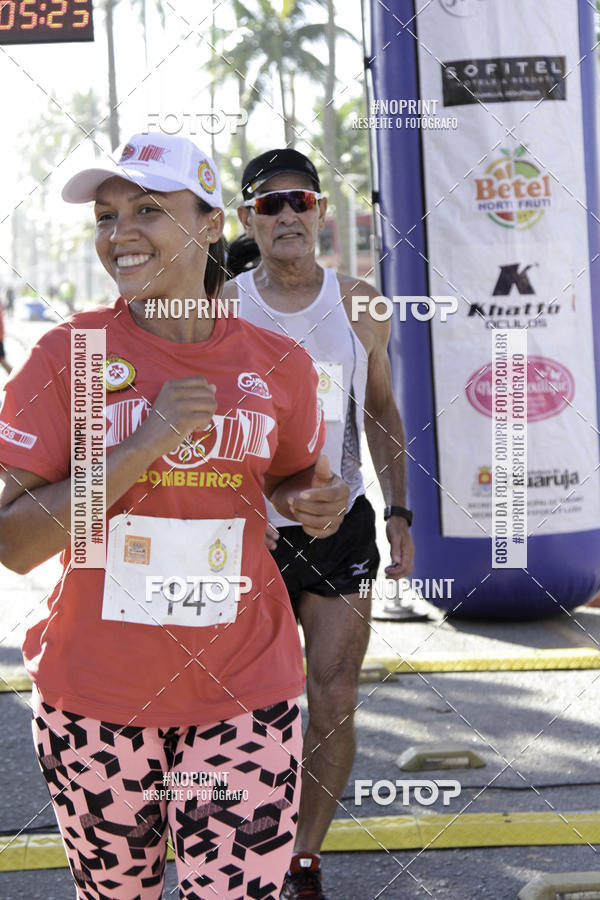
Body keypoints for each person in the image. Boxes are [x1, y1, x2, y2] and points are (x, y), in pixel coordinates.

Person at [0, 133, 349, 900]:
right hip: (95, 700)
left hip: (246, 688)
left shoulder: (278, 362)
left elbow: (285, 475)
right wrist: (146, 440)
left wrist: (306, 504)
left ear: (209, 222)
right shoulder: (67, 358)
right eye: (106, 215)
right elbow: (15, 543)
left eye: (147, 210)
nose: (119, 234)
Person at [223, 148, 415, 900]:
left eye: (299, 201)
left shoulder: (362, 302)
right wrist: (243, 506)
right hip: (247, 533)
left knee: (333, 696)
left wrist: (399, 510)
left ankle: (302, 856)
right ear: (248, 220)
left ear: (320, 212)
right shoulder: (222, 304)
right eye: (269, 206)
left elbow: (381, 412)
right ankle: (240, 851)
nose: (287, 215)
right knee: (245, 704)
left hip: (343, 529)